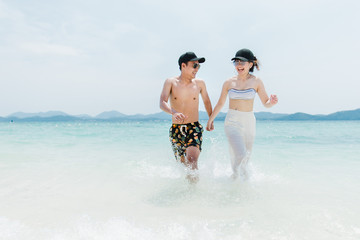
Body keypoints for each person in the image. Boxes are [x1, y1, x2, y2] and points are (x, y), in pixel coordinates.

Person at [206, 49, 278, 180]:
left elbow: (266, 102)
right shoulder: (229, 82)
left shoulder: (256, 81)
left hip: (249, 122)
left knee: (246, 160)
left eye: (242, 62)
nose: (239, 65)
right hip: (232, 121)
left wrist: (271, 102)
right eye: (236, 62)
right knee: (241, 154)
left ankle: (242, 189)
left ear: (250, 64)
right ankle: (234, 177)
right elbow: (221, 103)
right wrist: (210, 120)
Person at [160, 52, 213, 183]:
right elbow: (162, 102)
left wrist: (210, 119)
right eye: (194, 65)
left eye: (198, 67)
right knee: (183, 165)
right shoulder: (170, 82)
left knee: (192, 161)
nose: (197, 69)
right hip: (176, 129)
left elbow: (206, 101)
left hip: (193, 127)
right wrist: (174, 113)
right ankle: (186, 194)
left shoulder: (199, 83)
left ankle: (193, 193)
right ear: (183, 65)